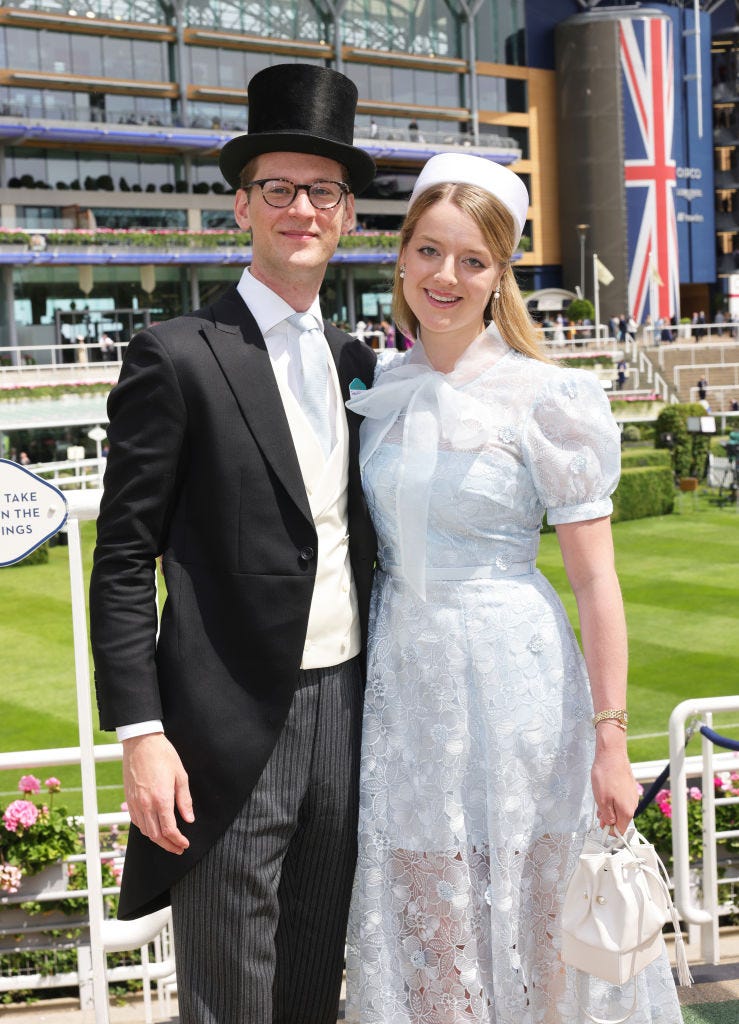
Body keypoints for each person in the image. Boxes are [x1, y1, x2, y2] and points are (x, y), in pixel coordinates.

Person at [345, 153, 681, 1023]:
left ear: (500, 275)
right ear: (401, 259)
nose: (444, 276)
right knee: (429, 924)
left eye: (470, 259)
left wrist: (612, 737)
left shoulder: (549, 397)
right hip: (405, 690)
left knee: (543, 930)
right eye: (426, 251)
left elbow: (596, 582)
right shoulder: (379, 390)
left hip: (518, 685)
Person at [89, 63, 377, 1024]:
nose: (301, 207)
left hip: (347, 709)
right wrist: (141, 735)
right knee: (226, 1000)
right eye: (279, 188)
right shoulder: (173, 357)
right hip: (224, 725)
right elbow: (123, 557)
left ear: (345, 216)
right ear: (243, 207)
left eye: (322, 191)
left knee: (309, 985)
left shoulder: (358, 362)